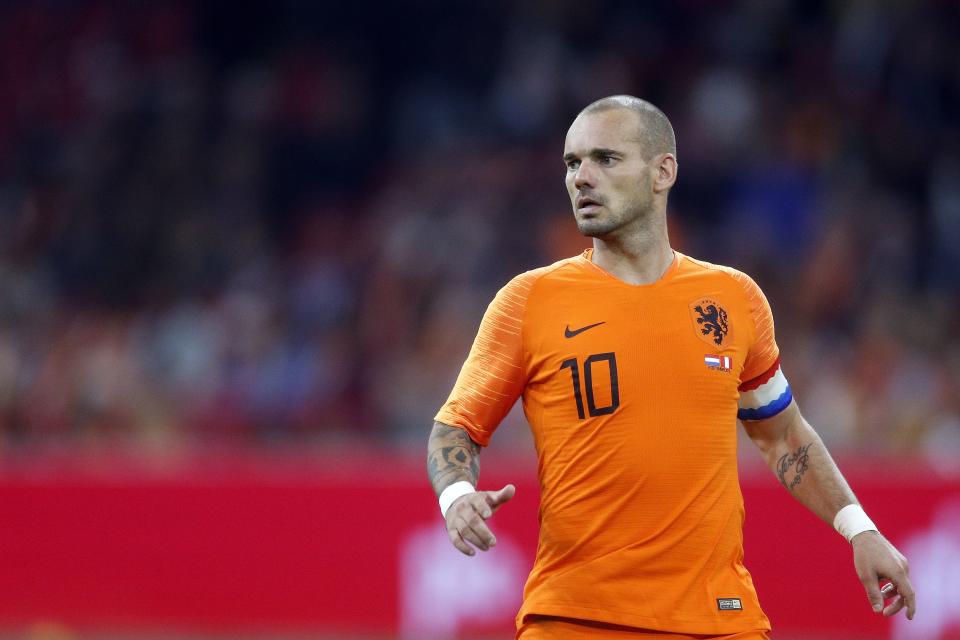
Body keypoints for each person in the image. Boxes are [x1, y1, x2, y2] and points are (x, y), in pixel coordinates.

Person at [425, 95, 916, 640]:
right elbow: (457, 428)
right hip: (578, 619)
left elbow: (783, 436)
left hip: (720, 620)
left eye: (604, 159)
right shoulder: (528, 300)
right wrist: (455, 496)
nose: (581, 178)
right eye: (571, 163)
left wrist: (860, 530)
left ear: (664, 172)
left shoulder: (733, 299)